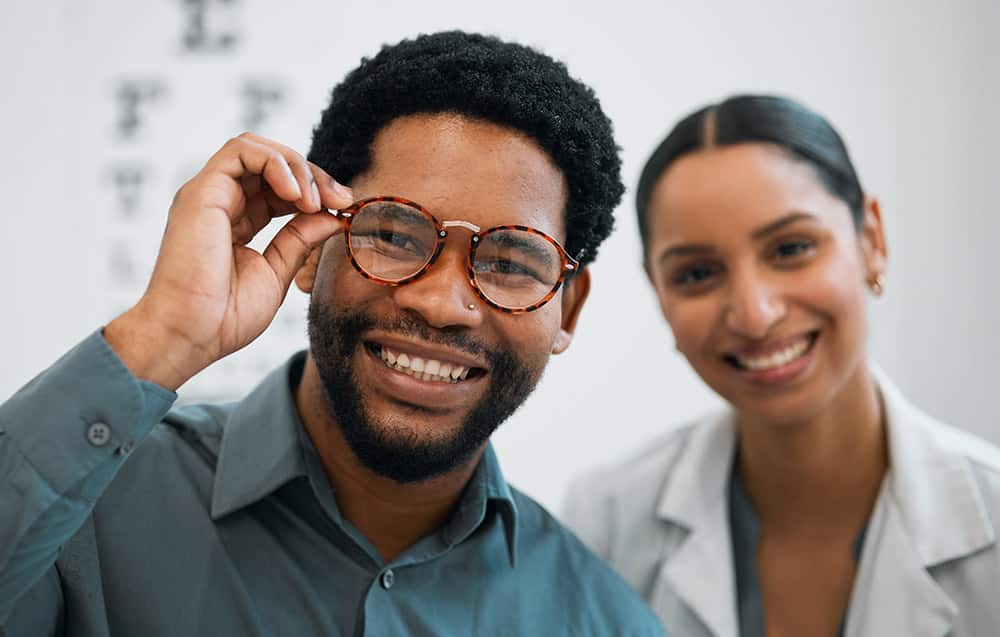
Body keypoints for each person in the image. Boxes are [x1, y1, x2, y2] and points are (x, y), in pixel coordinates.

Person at [0, 31, 665, 636]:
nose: (442, 304)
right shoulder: (82, 506)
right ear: (314, 248)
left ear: (567, 310)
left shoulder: (603, 621)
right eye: (396, 234)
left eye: (513, 260)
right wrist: (162, 336)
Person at [564, 95, 1000, 637]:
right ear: (659, 294)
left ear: (872, 241)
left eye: (791, 248)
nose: (754, 315)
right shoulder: (601, 523)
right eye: (697, 274)